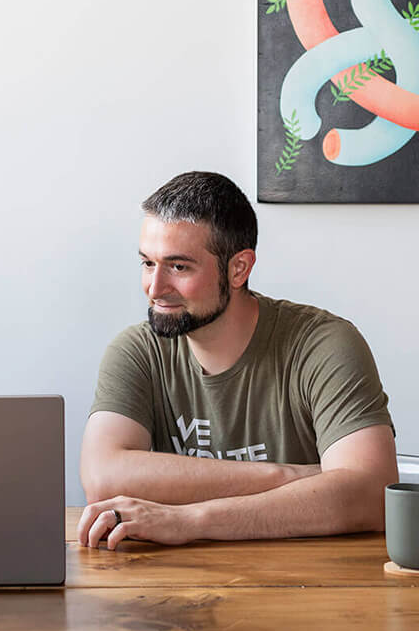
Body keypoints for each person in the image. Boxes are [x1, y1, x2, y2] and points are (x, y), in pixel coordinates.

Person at [78, 171, 397, 549]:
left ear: (239, 268)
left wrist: (188, 520)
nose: (155, 287)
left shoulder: (324, 345)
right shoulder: (137, 351)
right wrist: (291, 477)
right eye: (148, 263)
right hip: (175, 580)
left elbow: (370, 493)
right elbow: (103, 477)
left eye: (179, 267)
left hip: (312, 577)